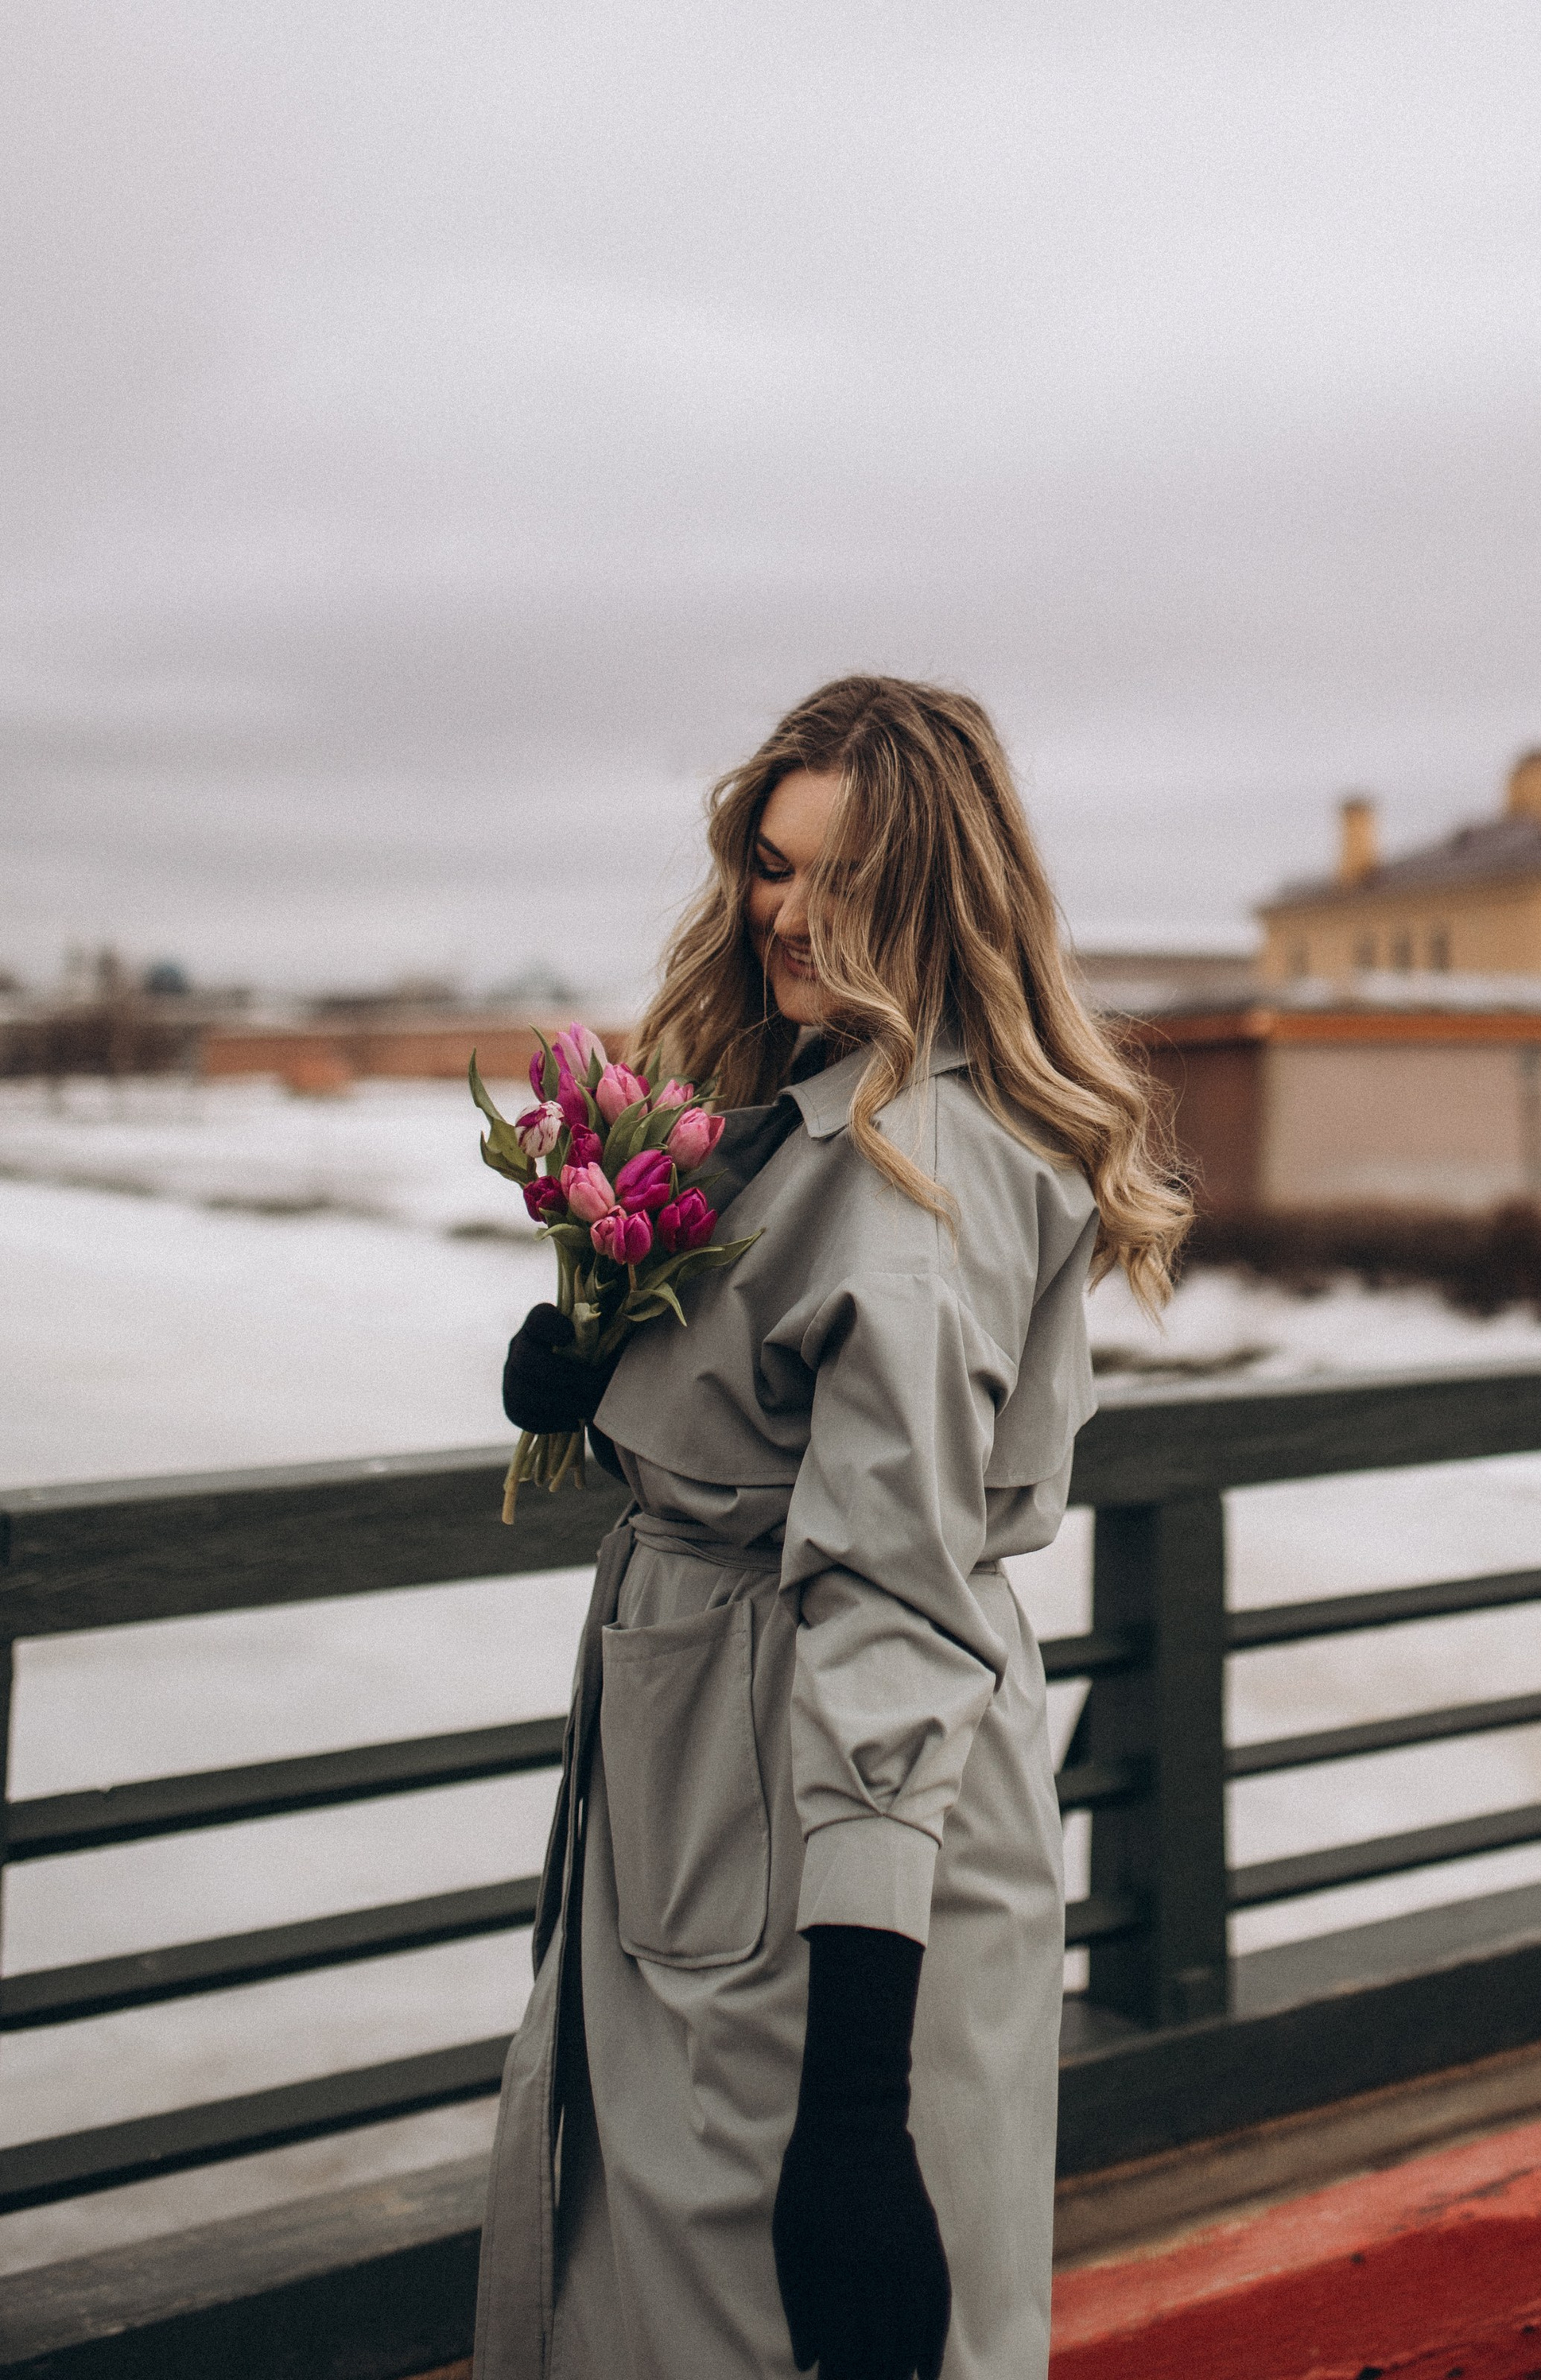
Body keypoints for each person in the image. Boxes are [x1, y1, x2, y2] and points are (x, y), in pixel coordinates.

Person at [472, 675, 1188, 2380]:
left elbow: (890, 1602)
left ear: (931, 894)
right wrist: (597, 1348)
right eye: (765, 865)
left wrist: (853, 2098)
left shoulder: (907, 1185)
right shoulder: (811, 1103)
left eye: (831, 879)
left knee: (726, 2316)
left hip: (804, 1821)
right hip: (712, 1775)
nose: (780, 913)